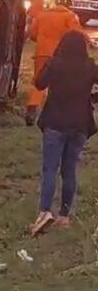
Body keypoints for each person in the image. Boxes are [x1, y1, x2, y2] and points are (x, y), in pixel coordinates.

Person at [30, 31, 98, 236]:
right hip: (80, 124)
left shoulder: (55, 64)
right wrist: (93, 97)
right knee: (70, 169)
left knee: (50, 168)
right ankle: (64, 216)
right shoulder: (90, 67)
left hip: (55, 122)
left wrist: (48, 63)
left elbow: (39, 82)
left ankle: (44, 213)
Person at [26, 0, 82, 125]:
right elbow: (77, 35)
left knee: (39, 83)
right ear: (68, 3)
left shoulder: (41, 15)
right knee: (61, 84)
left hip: (41, 54)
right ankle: (58, 112)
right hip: (61, 57)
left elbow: (32, 34)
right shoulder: (70, 16)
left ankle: (33, 107)